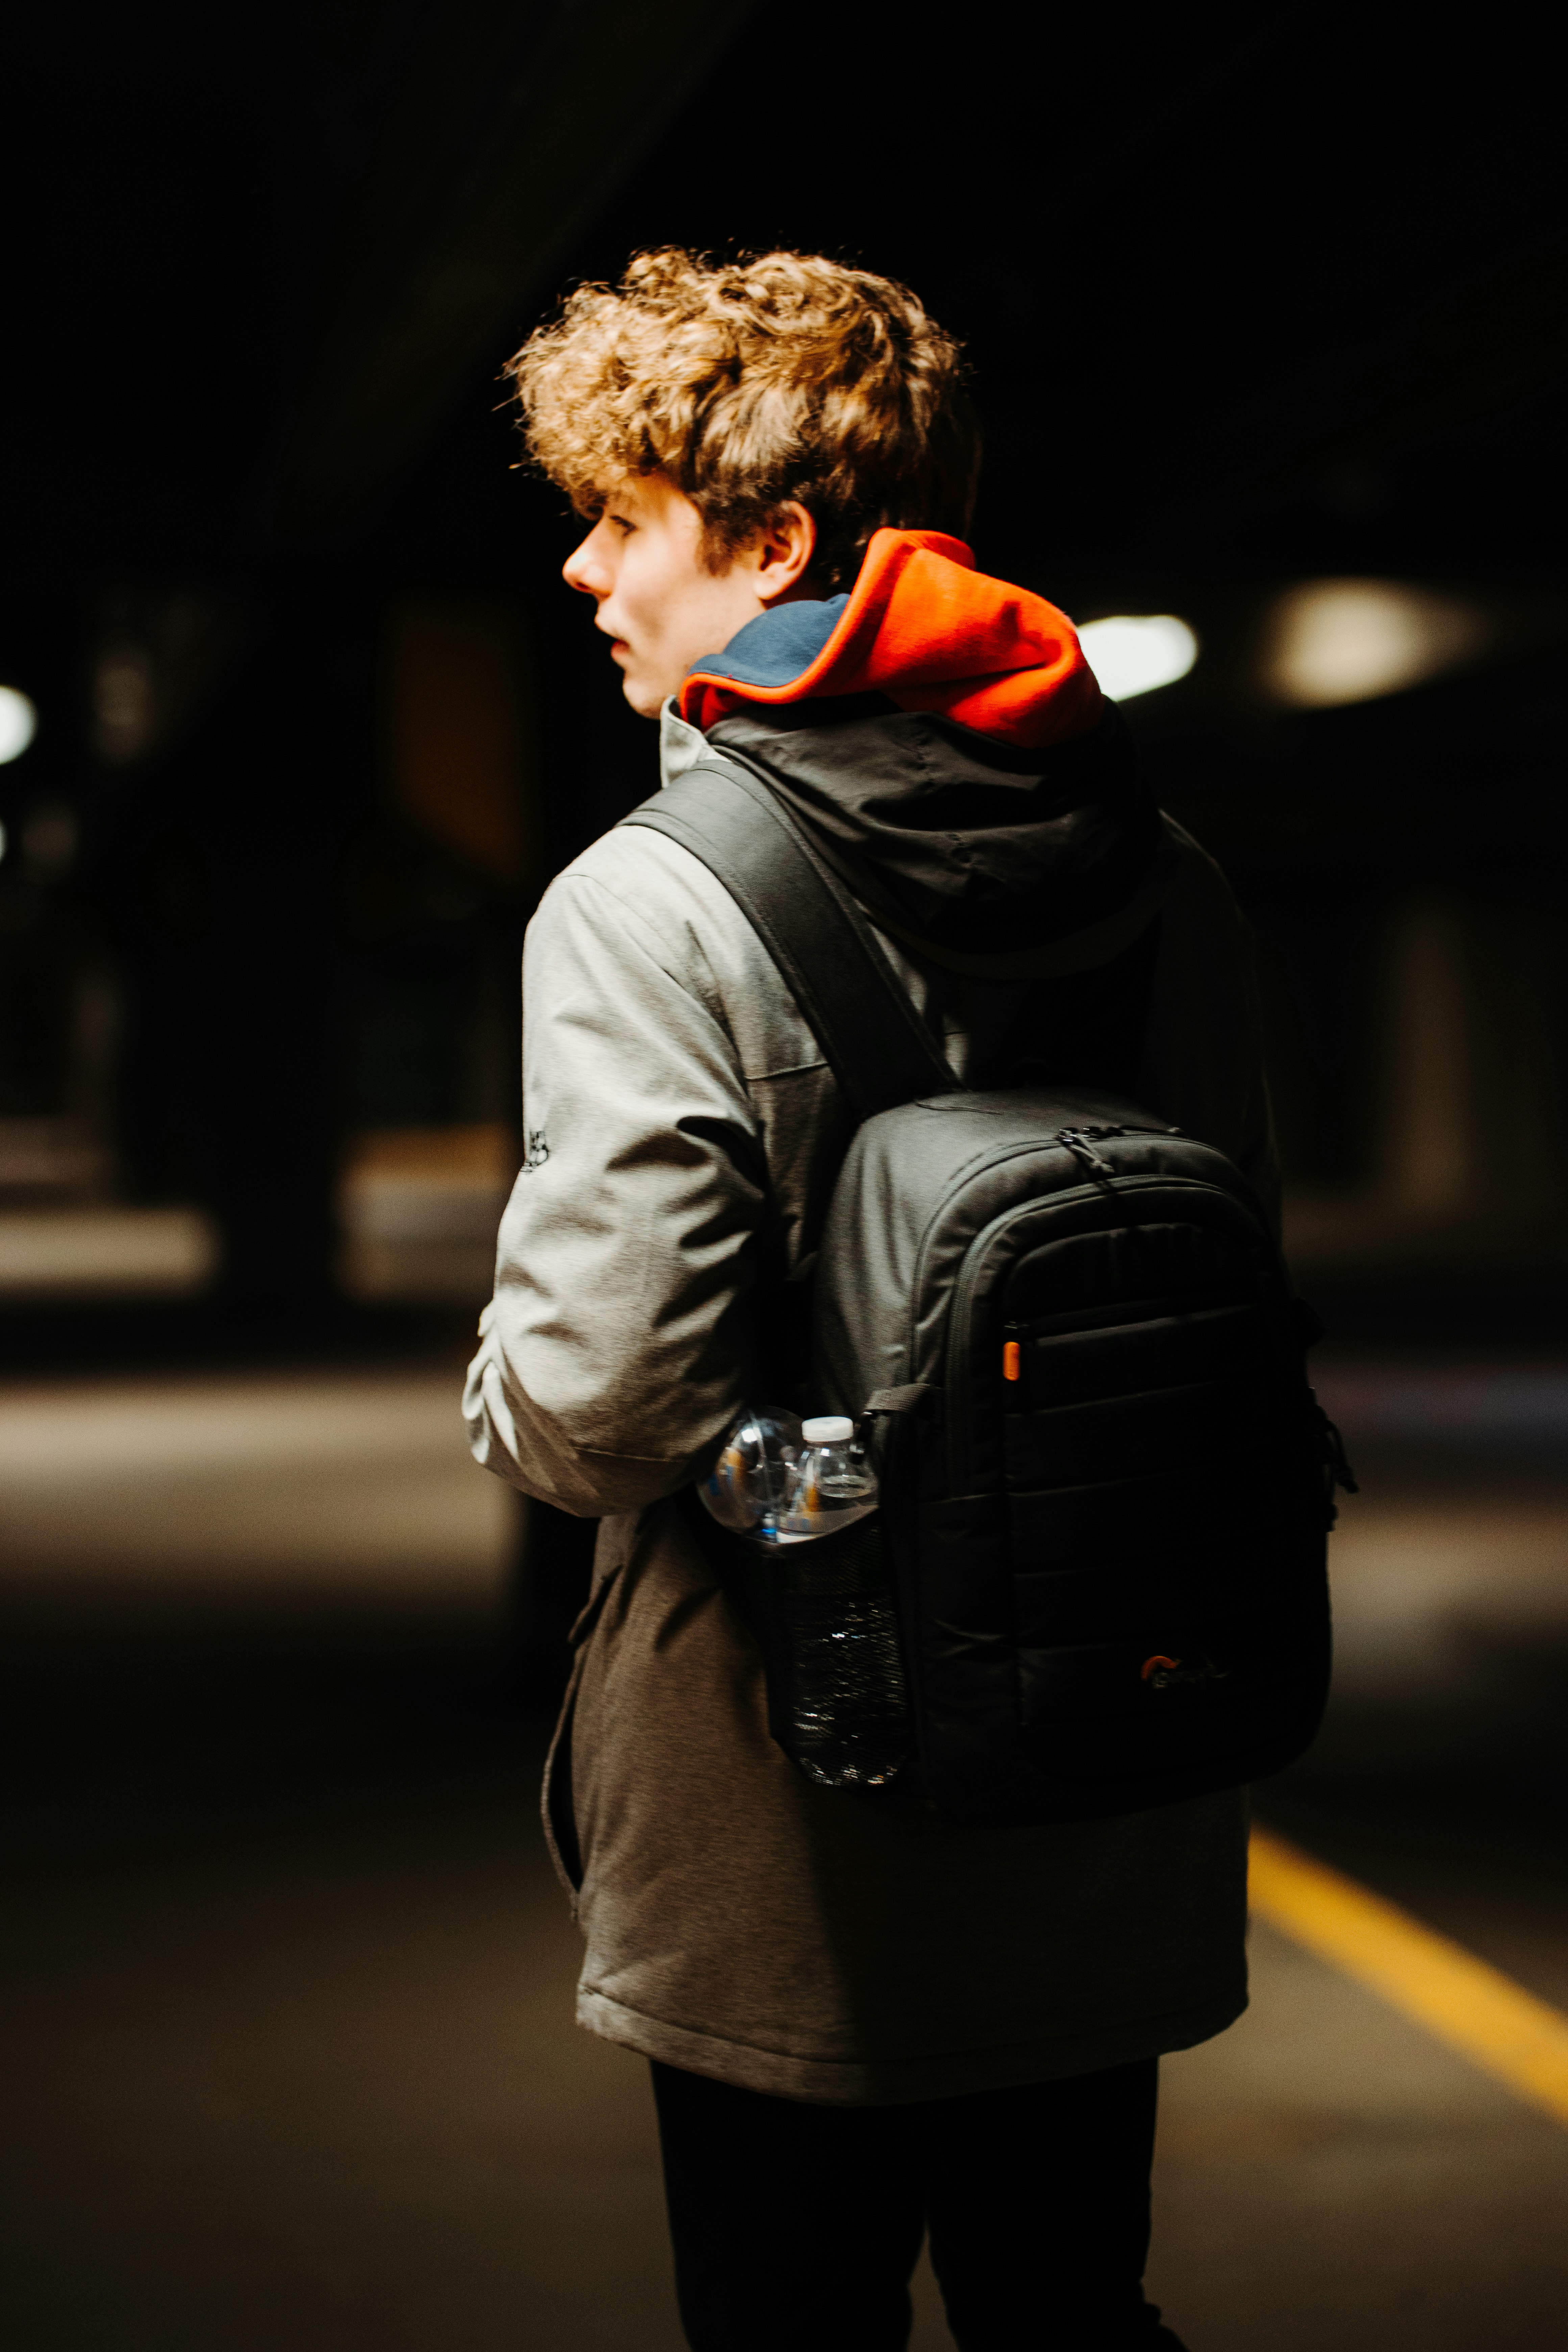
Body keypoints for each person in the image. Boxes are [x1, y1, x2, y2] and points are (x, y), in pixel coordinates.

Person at [465, 248, 1276, 2351]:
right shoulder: (1163, 870)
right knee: (1071, 2300)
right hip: (1123, 1752)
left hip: (799, 1805)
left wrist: (502, 1386)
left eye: (622, 519)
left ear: (774, 543)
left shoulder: (655, 900)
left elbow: (603, 1409)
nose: (582, 571)